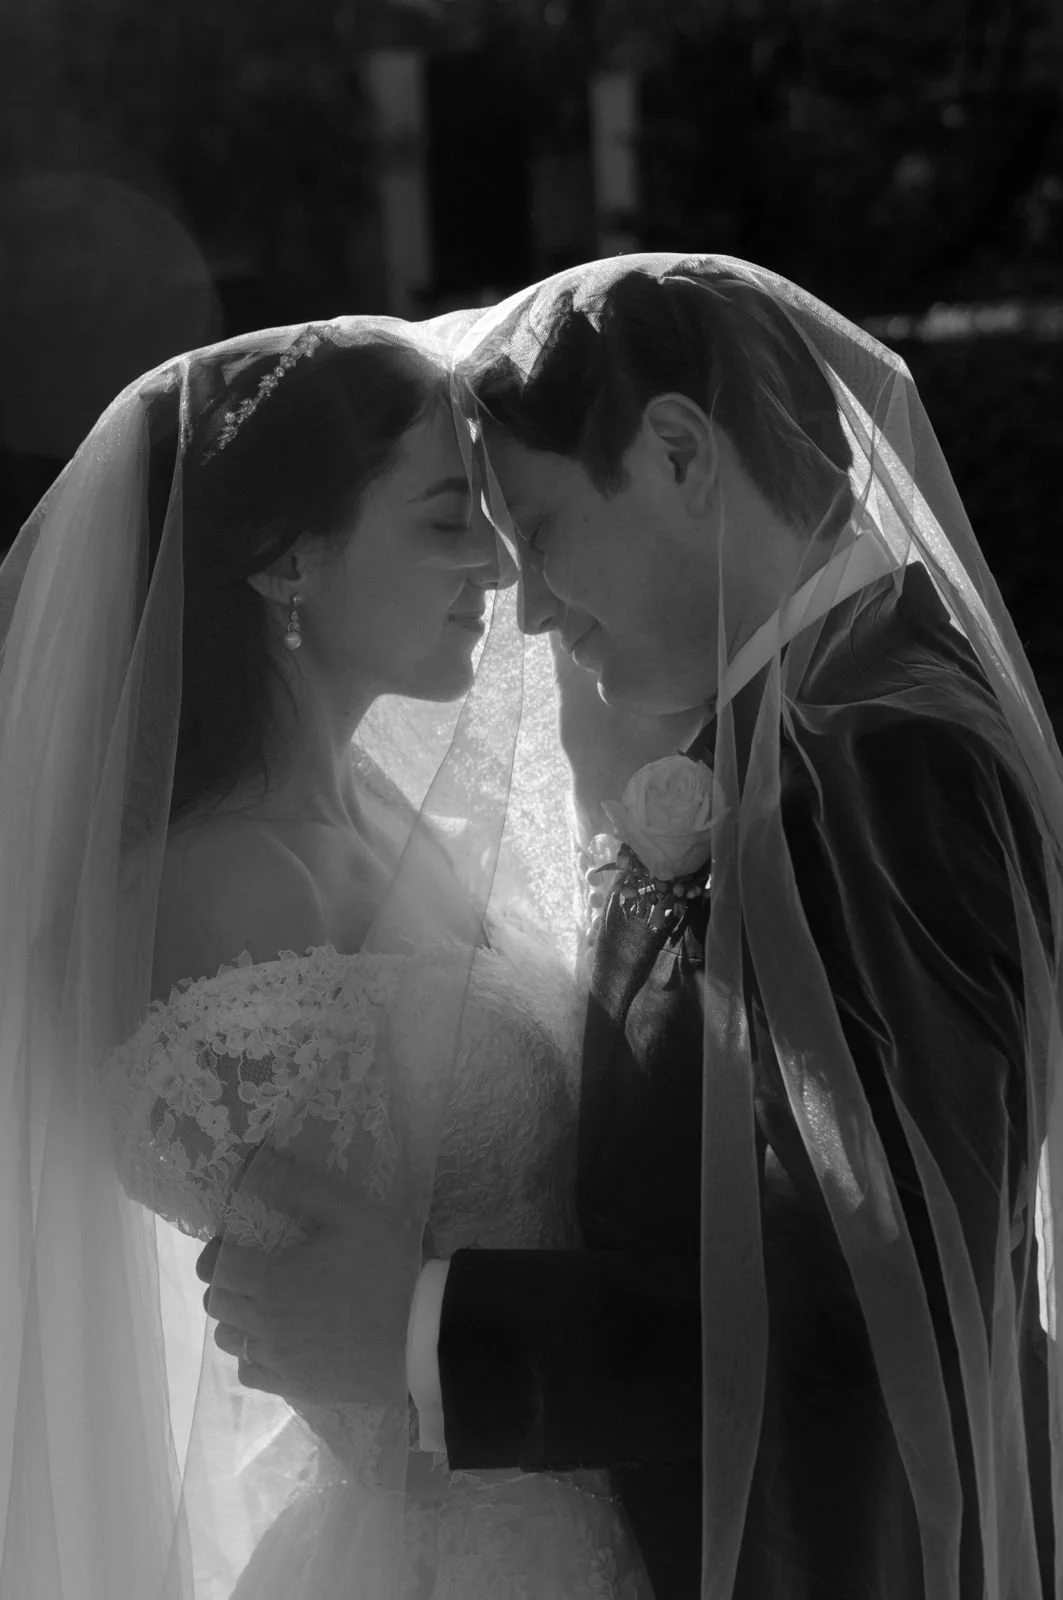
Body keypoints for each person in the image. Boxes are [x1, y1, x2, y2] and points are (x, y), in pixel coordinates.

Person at [206, 258, 1062, 1600]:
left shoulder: (883, 754)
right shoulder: (798, 721)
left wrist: (422, 1331)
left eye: (536, 528)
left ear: (677, 453)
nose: (528, 606)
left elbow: (883, 1303)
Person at [0, 316, 654, 1596]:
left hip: (597, 1469)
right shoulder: (230, 886)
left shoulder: (385, 818)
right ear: (289, 560)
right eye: (441, 516)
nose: (496, 559)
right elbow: (351, 1376)